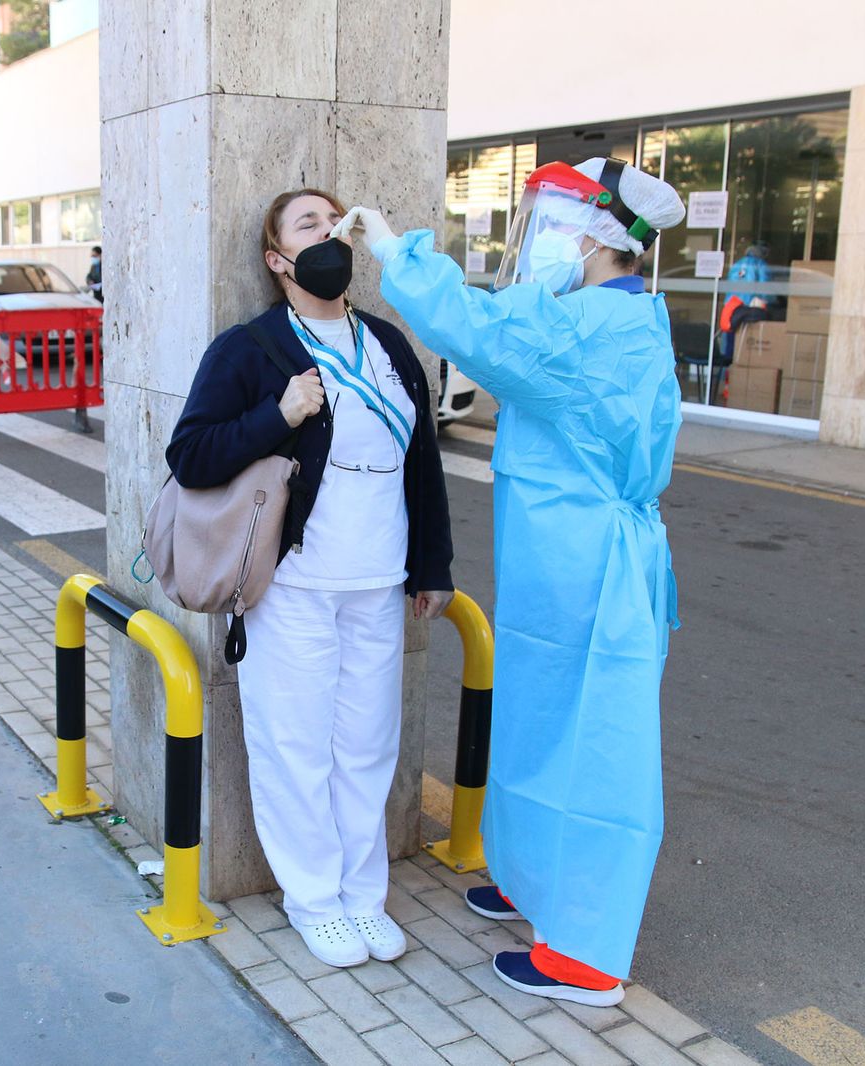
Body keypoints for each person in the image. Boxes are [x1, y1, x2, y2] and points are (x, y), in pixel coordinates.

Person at [335, 157, 686, 1006]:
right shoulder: (609, 311)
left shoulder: (594, 328)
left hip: (588, 568)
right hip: (561, 565)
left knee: (594, 748)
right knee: (536, 724)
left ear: (602, 237)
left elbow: (481, 330)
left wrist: (393, 248)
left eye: (557, 223)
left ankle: (587, 954)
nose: (542, 243)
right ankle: (533, 883)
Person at [165, 189, 455, 968]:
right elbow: (190, 455)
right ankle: (314, 900)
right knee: (295, 747)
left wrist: (431, 566)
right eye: (309, 226)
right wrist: (279, 415)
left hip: (378, 581)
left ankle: (363, 897)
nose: (329, 236)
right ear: (277, 259)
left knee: (366, 748)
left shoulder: (390, 345)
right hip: (292, 584)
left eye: (336, 224)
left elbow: (421, 463)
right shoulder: (250, 347)